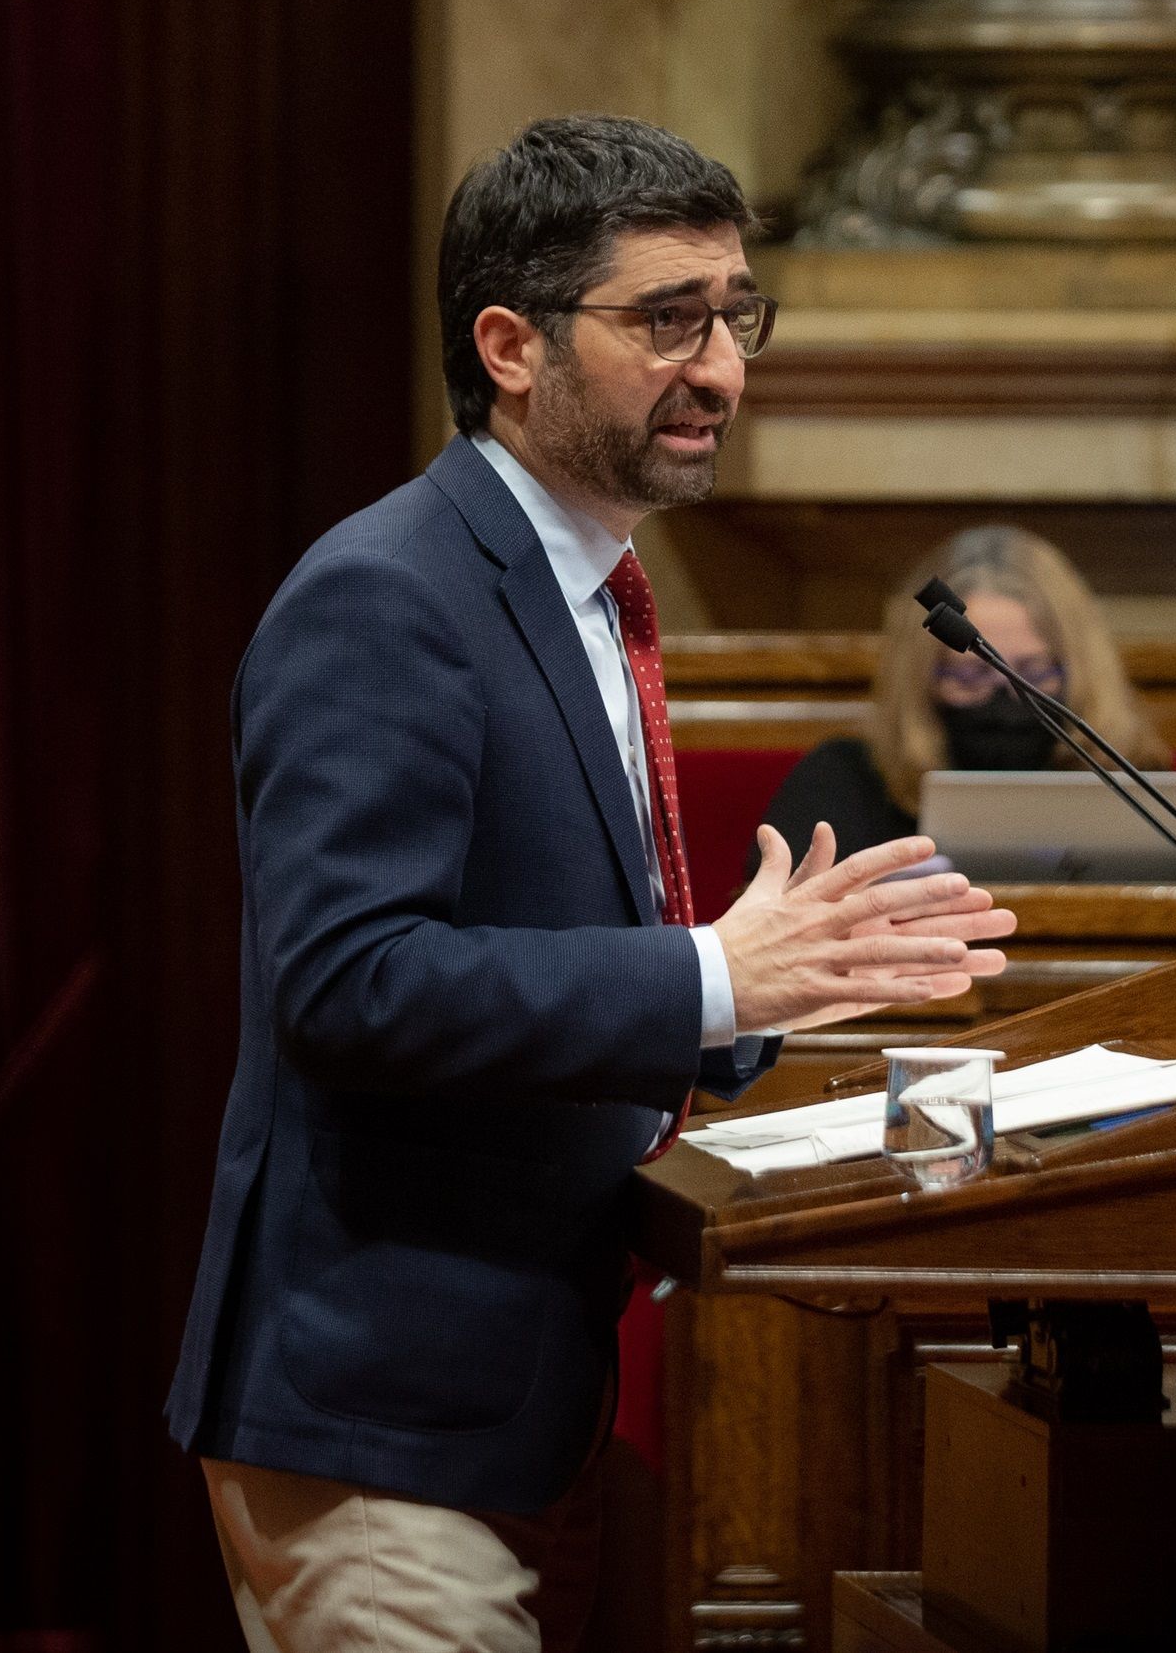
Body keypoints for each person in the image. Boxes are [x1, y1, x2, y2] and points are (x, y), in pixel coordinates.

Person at [166, 116, 1018, 1653]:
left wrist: (769, 984)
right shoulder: (388, 594)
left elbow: (572, 962)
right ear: (510, 343)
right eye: (665, 319)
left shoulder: (590, 588)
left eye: (737, 314)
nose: (722, 368)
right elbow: (350, 982)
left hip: (519, 1405)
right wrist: (708, 975)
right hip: (382, 1416)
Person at [762, 525, 1172, 855]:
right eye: (970, 676)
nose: (1002, 697)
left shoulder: (1135, 787)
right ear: (924, 677)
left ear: (1079, 670)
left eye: (1033, 673)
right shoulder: (843, 784)